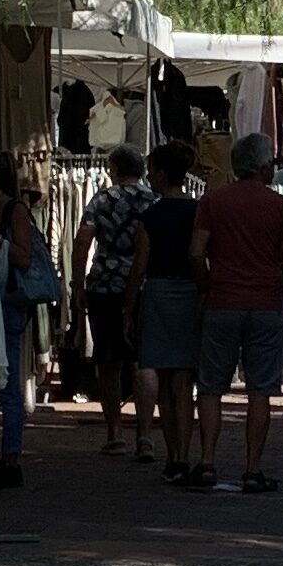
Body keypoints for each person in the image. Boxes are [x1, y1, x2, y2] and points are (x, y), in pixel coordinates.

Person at [191, 128, 283, 492]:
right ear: (264, 167)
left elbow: (196, 252)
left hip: (222, 302)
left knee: (210, 386)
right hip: (266, 305)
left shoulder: (213, 201)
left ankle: (207, 461)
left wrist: (206, 286)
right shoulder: (281, 207)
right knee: (260, 389)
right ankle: (252, 468)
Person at [0, 149, 49, 486]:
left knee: (8, 386)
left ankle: (10, 458)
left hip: (7, 304)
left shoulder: (14, 210)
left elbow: (24, 258)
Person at [74, 143, 156, 461]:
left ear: (114, 170)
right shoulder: (153, 200)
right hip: (144, 283)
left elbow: (83, 240)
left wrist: (78, 281)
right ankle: (146, 436)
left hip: (105, 283)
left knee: (108, 361)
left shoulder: (101, 200)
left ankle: (114, 433)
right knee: (142, 360)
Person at [128, 142, 205, 478]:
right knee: (183, 382)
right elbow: (202, 256)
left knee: (162, 377)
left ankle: (173, 454)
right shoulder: (199, 211)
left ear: (160, 172)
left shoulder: (151, 216)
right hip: (190, 293)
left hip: (158, 293)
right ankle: (184, 455)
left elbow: (139, 266)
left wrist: (128, 308)